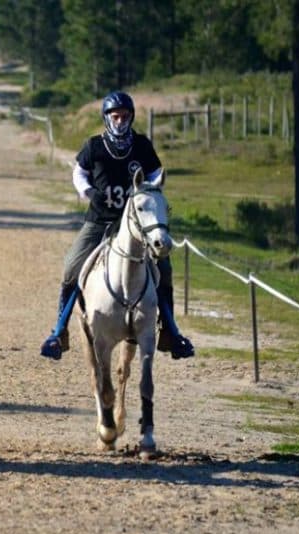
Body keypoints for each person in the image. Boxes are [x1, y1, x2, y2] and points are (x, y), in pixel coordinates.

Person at [40, 91, 194, 360]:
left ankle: (172, 332)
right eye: (116, 116)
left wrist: (153, 187)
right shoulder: (94, 145)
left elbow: (156, 171)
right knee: (71, 269)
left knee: (164, 269)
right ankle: (58, 332)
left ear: (131, 117)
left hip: (136, 226)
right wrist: (86, 191)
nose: (121, 121)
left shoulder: (142, 146)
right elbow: (79, 171)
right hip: (99, 220)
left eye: (125, 116)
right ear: (107, 118)